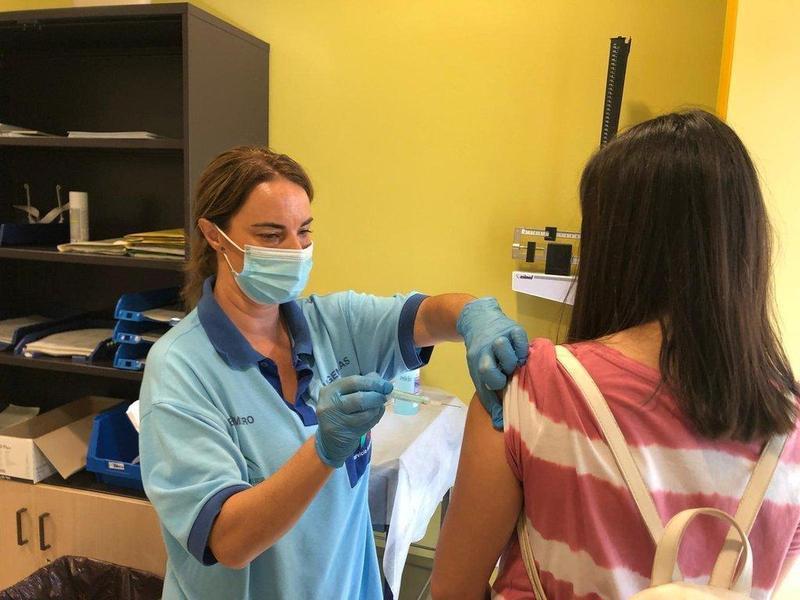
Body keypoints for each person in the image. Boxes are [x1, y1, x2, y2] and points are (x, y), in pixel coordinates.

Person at [431, 110, 800, 599]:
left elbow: (453, 591)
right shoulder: (790, 430)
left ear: (614, 243)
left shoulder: (528, 389)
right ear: (745, 245)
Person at [138, 146, 527, 600]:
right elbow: (229, 541)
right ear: (214, 235)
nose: (295, 251)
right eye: (271, 235)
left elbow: (427, 315)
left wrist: (475, 316)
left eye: (304, 231)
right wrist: (323, 451)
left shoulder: (332, 324)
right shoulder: (181, 368)